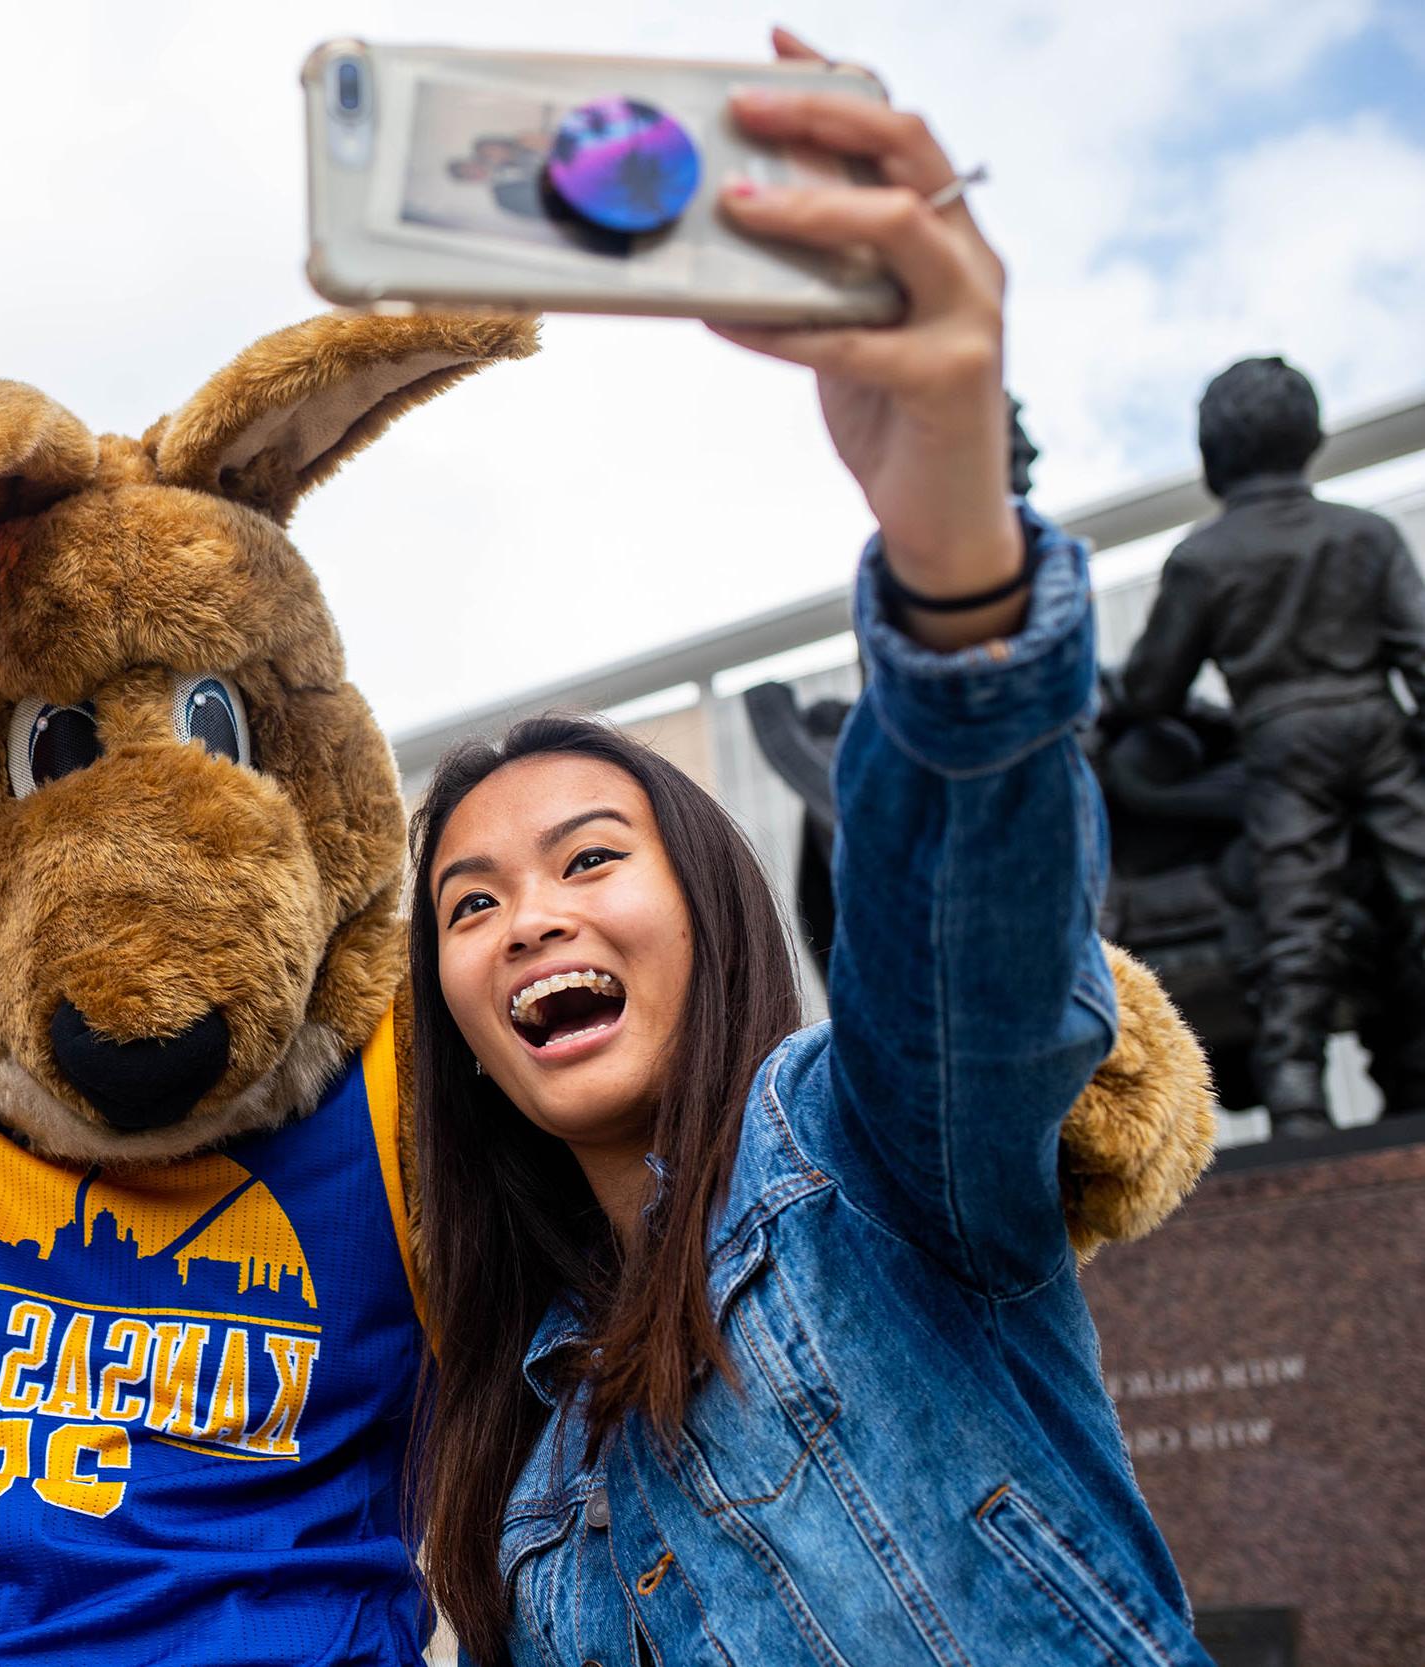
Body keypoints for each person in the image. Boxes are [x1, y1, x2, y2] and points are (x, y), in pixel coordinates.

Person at [402, 34, 1212, 1666]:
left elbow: (971, 944)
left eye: (587, 858)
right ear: (466, 1042)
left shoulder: (872, 1167)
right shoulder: (522, 1472)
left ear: (710, 910)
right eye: (470, 903)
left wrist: (950, 542)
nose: (528, 920)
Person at [1122, 355, 1425, 1134]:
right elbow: (1419, 651)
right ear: (1312, 435)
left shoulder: (1204, 556)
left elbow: (1152, 687)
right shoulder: (1368, 534)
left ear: (1211, 454)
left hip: (1283, 747)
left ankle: (1295, 1087)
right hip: (1379, 730)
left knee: (1299, 913)